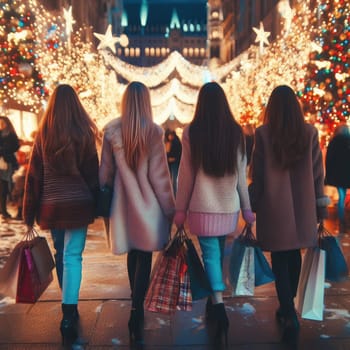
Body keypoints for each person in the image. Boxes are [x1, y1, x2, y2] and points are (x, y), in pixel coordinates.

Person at [173, 82, 255, 346]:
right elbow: (242, 176)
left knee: (210, 253)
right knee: (216, 253)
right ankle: (214, 298)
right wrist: (246, 207)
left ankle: (218, 306)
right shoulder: (235, 133)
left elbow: (185, 175)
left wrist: (180, 209)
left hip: (202, 204)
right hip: (228, 205)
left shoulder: (192, 132)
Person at [249, 85, 329, 345]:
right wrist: (320, 207)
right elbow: (318, 175)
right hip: (302, 208)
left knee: (280, 258)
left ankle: (286, 307)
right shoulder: (308, 133)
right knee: (294, 255)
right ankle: (289, 305)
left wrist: (253, 203)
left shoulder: (263, 135)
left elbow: (257, 175)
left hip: (274, 208)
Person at [23, 84, 99, 346]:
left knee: (61, 253)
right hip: (78, 205)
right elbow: (92, 175)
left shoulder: (43, 134)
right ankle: (69, 311)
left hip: (52, 206)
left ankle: (68, 304)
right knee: (73, 256)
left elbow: (34, 177)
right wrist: (97, 203)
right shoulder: (84, 134)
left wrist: (28, 213)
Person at [99, 81, 175, 345]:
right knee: (144, 255)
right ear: (145, 102)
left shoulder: (111, 131)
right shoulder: (154, 132)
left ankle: (135, 303)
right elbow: (160, 177)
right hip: (148, 206)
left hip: (122, 207)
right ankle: (136, 306)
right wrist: (170, 210)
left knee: (132, 253)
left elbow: (104, 174)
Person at [325, 124, 350, 234]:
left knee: (341, 196)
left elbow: (329, 159)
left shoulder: (333, 142)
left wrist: (329, 174)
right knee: (343, 196)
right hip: (347, 173)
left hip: (338, 175)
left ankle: (342, 220)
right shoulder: (348, 142)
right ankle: (343, 220)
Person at [0, 116, 20, 219]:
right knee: (3, 188)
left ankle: (18, 211)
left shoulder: (11, 134)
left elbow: (16, 146)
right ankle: (3, 210)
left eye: (3, 123)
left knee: (12, 187)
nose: (1, 125)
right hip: (1, 164)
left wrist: (4, 150)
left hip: (10, 163)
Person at [164, 128, 182, 195]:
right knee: (170, 179)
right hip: (169, 163)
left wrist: (174, 158)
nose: (169, 137)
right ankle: (172, 193)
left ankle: (174, 194)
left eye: (170, 135)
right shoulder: (168, 142)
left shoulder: (176, 142)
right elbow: (166, 153)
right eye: (169, 135)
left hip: (175, 163)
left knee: (174, 179)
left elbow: (179, 153)